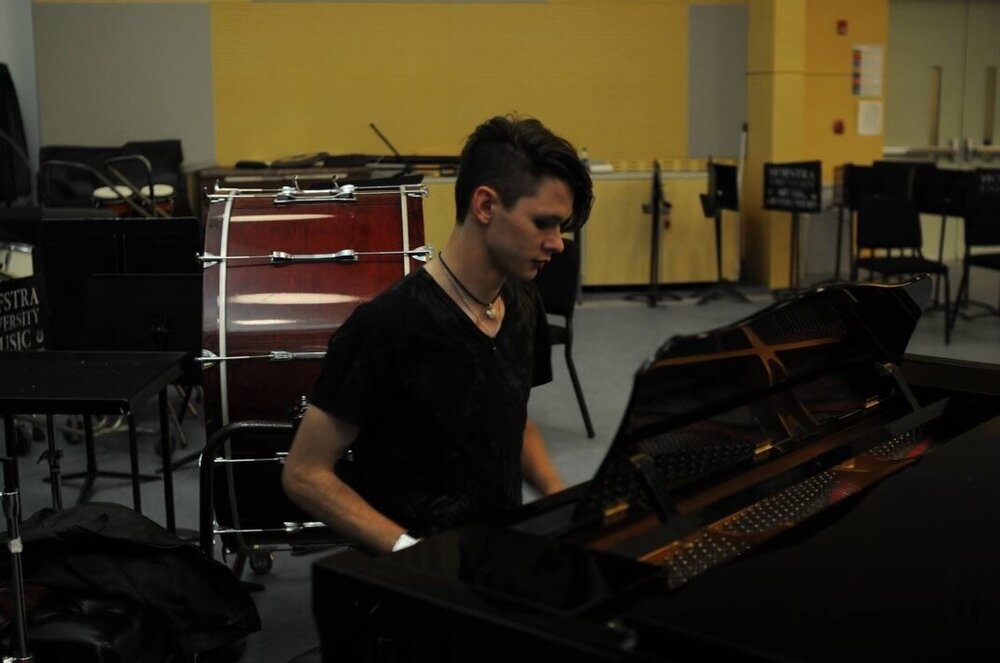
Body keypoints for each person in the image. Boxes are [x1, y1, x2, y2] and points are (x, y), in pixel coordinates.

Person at [282, 114, 594, 554]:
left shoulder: (523, 304)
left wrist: (558, 495)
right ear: (486, 206)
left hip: (492, 555)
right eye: (544, 223)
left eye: (561, 227)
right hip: (412, 580)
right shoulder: (386, 326)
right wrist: (410, 551)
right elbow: (305, 473)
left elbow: (511, 420)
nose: (559, 243)